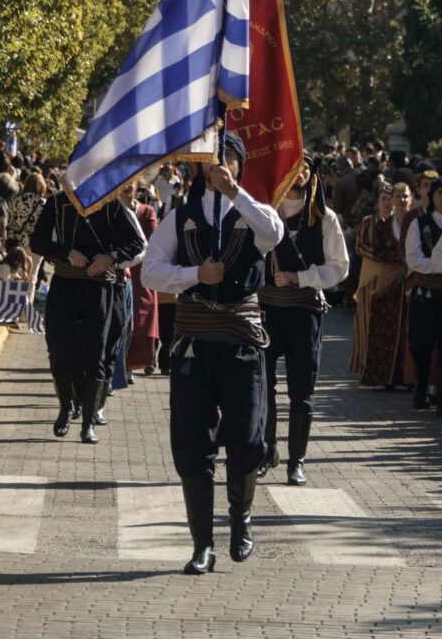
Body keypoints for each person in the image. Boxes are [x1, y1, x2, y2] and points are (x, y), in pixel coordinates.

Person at [140, 132, 284, 575]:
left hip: (240, 342)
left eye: (228, 158)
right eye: (212, 158)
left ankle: (240, 522)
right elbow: (151, 269)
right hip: (194, 344)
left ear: (240, 165)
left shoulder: (250, 211)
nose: (219, 164)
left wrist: (234, 193)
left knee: (245, 441)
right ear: (198, 165)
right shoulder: (180, 217)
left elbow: (274, 233)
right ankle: (202, 544)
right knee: (192, 446)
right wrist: (193, 273)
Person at [28, 178, 144, 444]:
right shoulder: (57, 203)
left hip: (99, 287)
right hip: (65, 284)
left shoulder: (111, 203)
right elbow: (38, 241)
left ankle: (88, 422)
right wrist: (66, 251)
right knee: (59, 350)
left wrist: (111, 257)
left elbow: (137, 243)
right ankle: (67, 406)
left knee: (96, 353)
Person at [256, 160, 348, 485]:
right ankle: (267, 450)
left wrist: (302, 277)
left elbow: (340, 267)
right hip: (267, 310)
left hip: (305, 311)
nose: (300, 173)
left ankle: (297, 461)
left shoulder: (325, 219)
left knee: (302, 391)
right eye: (293, 166)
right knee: (263, 383)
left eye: (305, 168)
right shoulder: (265, 215)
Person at [403, 176, 442, 416]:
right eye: (439, 193)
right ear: (431, 196)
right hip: (425, 293)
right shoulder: (420, 223)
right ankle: (422, 387)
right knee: (421, 344)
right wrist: (439, 266)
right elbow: (413, 259)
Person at [350, 184, 409, 387]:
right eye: (383, 199)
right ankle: (365, 365)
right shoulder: (370, 222)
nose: (386, 203)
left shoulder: (403, 223)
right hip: (371, 277)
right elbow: (360, 246)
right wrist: (384, 256)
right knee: (366, 322)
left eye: (388, 199)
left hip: (392, 277)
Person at [122, 185, 161, 374]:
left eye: (131, 184)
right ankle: (118, 364)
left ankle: (131, 364)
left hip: (141, 270)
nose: (128, 188)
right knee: (120, 317)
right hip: (117, 267)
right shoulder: (111, 209)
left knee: (141, 317)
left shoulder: (146, 211)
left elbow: (153, 239)